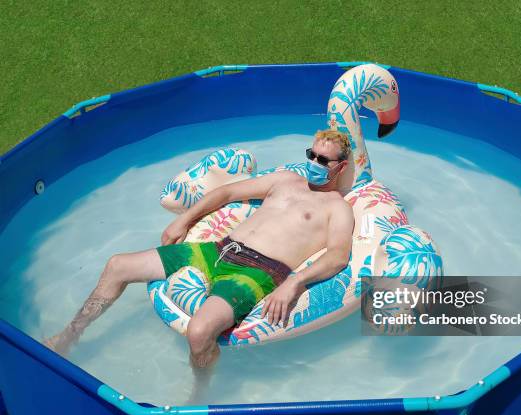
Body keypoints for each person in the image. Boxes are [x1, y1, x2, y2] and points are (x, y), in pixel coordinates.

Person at [45, 129, 355, 372]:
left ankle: (199, 393)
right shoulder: (286, 180)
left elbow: (338, 256)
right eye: (310, 155)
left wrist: (294, 283)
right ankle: (70, 336)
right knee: (118, 266)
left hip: (256, 272)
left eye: (322, 160)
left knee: (199, 332)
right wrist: (184, 218)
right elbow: (228, 191)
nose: (313, 164)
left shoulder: (336, 207)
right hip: (217, 250)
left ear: (340, 167)